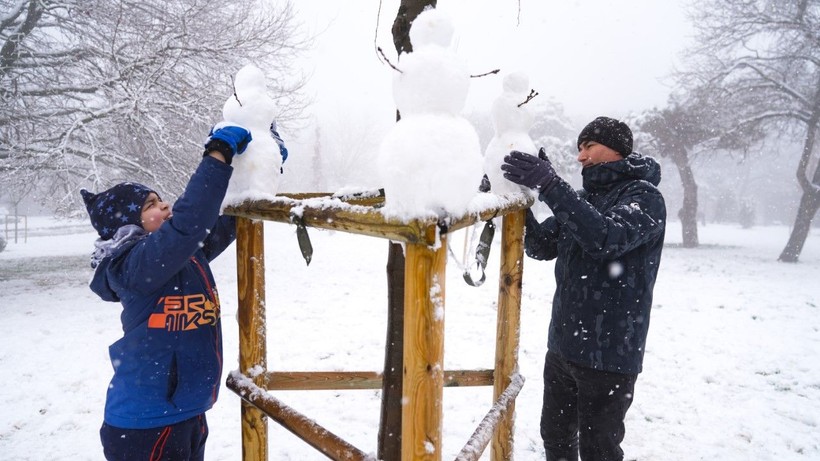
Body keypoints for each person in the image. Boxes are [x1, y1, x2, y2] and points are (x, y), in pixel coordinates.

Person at [81, 123, 254, 461]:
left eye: (160, 199)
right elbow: (190, 221)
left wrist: (263, 158)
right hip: (144, 427)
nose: (165, 207)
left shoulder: (183, 253)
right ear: (127, 225)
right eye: (151, 205)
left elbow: (233, 216)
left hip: (187, 413)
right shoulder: (134, 265)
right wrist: (217, 154)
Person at [501, 116, 666, 461]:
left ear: (617, 149)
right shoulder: (582, 198)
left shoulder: (645, 197)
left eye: (589, 146)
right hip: (562, 348)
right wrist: (514, 198)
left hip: (609, 356)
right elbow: (541, 245)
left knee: (598, 452)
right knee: (556, 441)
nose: (581, 156)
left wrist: (550, 184)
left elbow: (604, 238)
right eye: (579, 148)